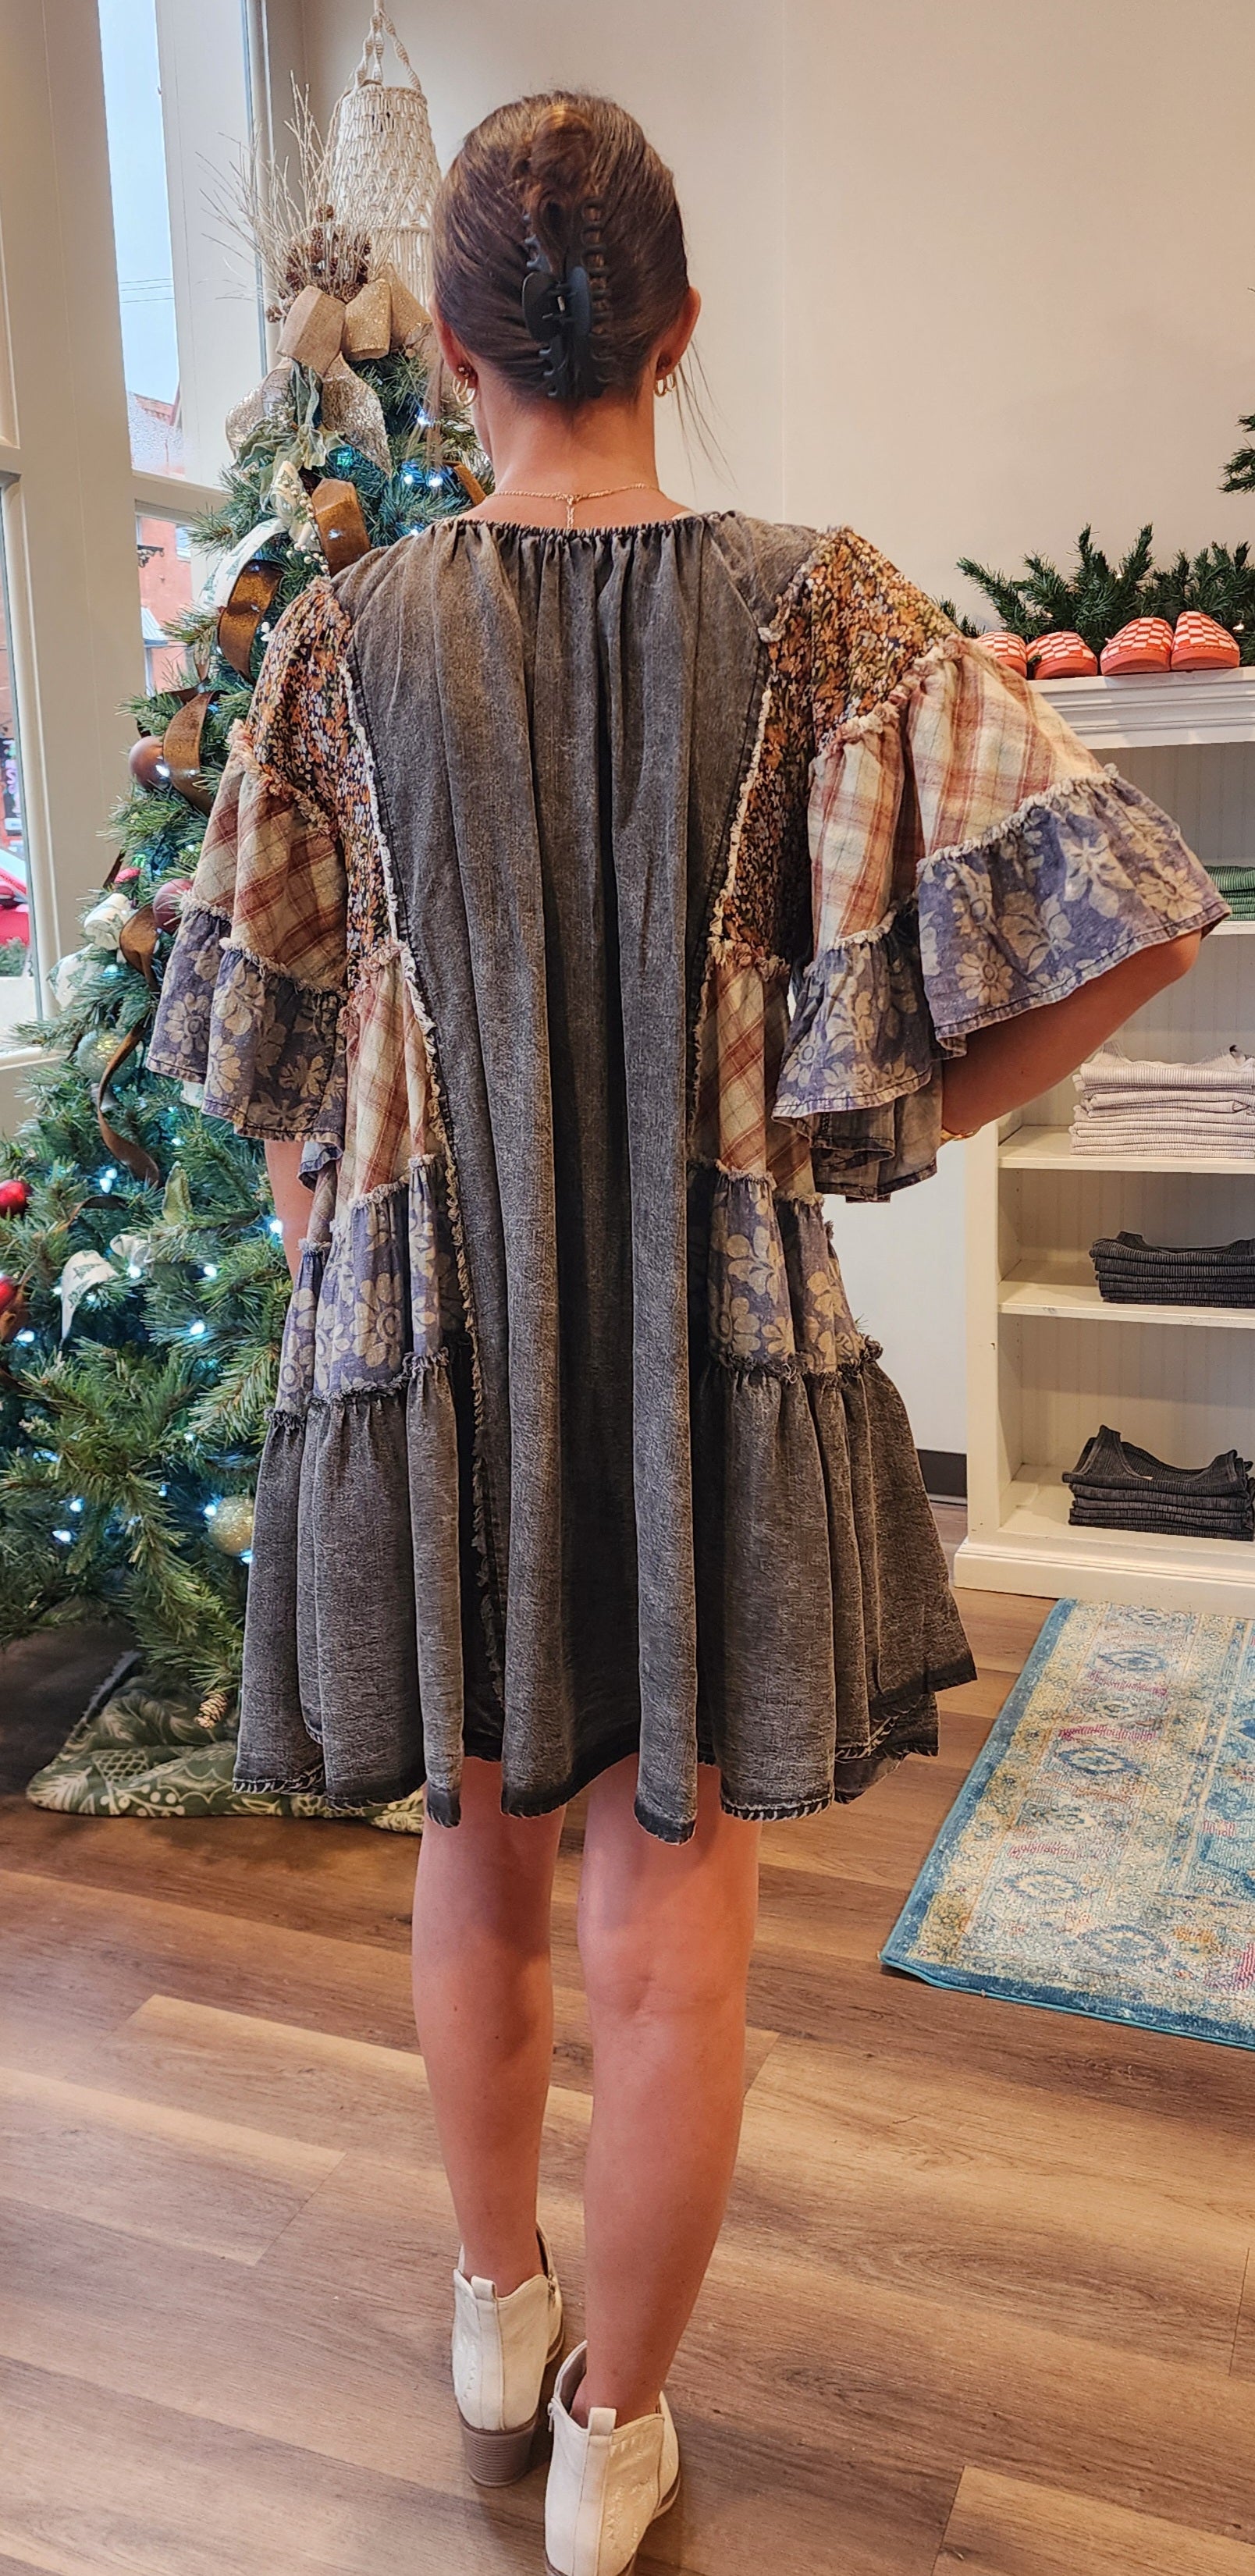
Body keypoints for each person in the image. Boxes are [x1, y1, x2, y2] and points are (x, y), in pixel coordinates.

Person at [148, 90, 1224, 2576]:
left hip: (448, 1369)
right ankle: (613, 2436)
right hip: (706, 1359)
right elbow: (1149, 908)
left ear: (448, 348)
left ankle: (492, 2310)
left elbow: (255, 1047)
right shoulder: (823, 607)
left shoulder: (338, 638)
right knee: (673, 1937)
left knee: (473, 1868)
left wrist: (335, 1234)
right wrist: (891, 1114)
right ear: (679, 330)